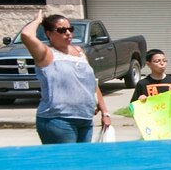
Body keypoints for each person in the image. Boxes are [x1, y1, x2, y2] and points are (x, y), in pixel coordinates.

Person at [21, 10, 109, 144]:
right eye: (62, 30)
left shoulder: (80, 52)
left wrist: (105, 113)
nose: (68, 33)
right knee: (67, 162)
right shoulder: (46, 54)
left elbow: (92, 84)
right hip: (57, 120)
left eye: (70, 29)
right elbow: (26, 35)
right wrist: (38, 21)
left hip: (85, 118)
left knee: (81, 162)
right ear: (49, 34)